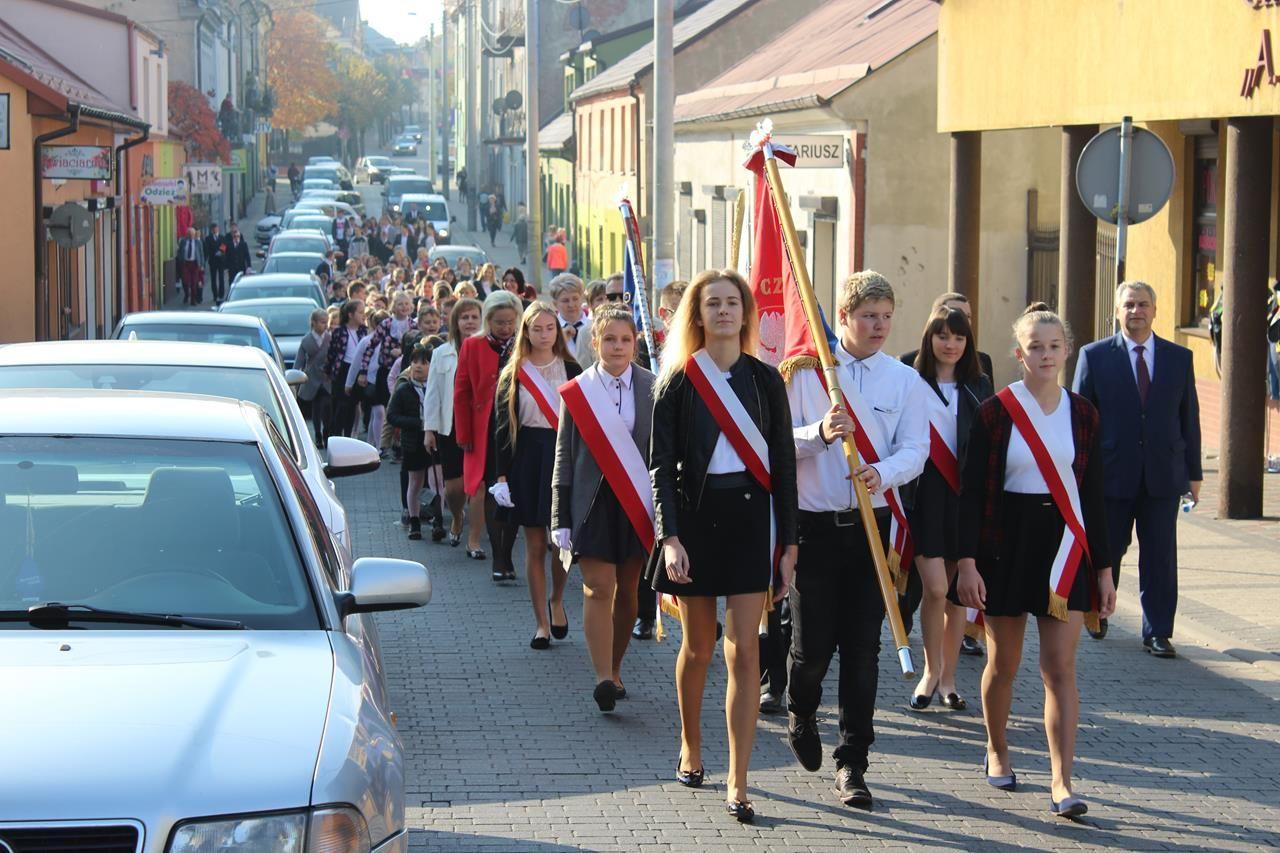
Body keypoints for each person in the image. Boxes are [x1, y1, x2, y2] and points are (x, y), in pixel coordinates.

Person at [956, 303, 1116, 819]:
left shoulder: (1084, 413)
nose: (1045, 354)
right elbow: (972, 492)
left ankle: (1062, 781)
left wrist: (1106, 569)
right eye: (1035, 346)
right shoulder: (996, 413)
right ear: (1018, 353)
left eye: (1054, 346)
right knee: (1004, 663)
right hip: (1006, 545)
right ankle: (997, 749)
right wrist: (968, 562)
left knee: (1060, 667)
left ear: (1066, 350)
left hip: (1065, 547)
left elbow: (1094, 495)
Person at [649, 269, 798, 824]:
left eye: (732, 302)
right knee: (701, 648)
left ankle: (739, 780)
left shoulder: (766, 381)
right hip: (694, 521)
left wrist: (789, 542)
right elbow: (661, 467)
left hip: (751, 521)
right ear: (698, 314)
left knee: (746, 649)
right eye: (712, 303)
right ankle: (691, 743)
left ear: (746, 312)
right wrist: (670, 537)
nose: (723, 311)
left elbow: (783, 464)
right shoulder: (677, 383)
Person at [784, 271, 928, 811]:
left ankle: (854, 761)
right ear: (843, 317)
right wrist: (819, 434)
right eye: (869, 316)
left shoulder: (903, 379)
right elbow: (778, 442)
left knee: (863, 652)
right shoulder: (807, 374)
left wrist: (884, 473)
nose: (879, 326)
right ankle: (801, 708)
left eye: (887, 316)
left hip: (873, 530)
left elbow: (917, 447)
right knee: (814, 647)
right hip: (815, 530)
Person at [1073, 281, 1201, 656]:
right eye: (1128, 304)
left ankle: (1158, 630)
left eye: (1143, 304)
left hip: (1163, 474)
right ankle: (1098, 610)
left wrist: (1193, 473)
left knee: (1160, 555)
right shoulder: (1094, 356)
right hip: (1111, 474)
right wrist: (1079, 474)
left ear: (1155, 310)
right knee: (1108, 548)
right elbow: (1080, 419)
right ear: (1117, 311)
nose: (1136, 311)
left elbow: (1188, 417)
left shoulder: (1179, 357)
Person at [552, 305, 655, 710]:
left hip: (637, 500)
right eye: (609, 339)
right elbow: (564, 455)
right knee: (599, 589)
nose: (617, 346)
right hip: (591, 504)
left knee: (628, 589)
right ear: (595, 343)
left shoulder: (653, 387)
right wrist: (560, 515)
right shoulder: (578, 391)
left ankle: (615, 668)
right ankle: (601, 678)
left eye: (625, 339)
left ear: (635, 343)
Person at [906, 306, 993, 712]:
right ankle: (929, 669)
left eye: (958, 337)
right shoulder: (910, 380)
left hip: (965, 499)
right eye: (943, 335)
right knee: (936, 589)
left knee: (958, 595)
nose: (951, 344)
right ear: (930, 338)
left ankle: (949, 680)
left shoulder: (978, 385)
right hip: (926, 496)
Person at [493, 303, 581, 636]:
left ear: (557, 332)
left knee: (561, 541)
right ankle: (541, 624)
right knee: (534, 545)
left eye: (550, 328)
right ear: (525, 332)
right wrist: (501, 476)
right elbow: (502, 428)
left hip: (563, 458)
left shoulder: (573, 370)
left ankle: (557, 599)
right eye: (537, 328)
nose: (544, 335)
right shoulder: (514, 372)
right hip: (527, 459)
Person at [454, 291, 522, 569]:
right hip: (485, 428)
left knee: (514, 487)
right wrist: (463, 434)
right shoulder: (473, 345)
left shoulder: (523, 344)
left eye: (510, 322)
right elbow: (461, 390)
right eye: (499, 323)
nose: (505, 328)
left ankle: (506, 550)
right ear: (488, 321)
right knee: (487, 487)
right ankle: (489, 549)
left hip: (518, 425)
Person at [425, 297, 484, 548]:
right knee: (454, 488)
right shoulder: (442, 352)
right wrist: (429, 429)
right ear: (455, 322)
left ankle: (475, 536)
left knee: (478, 484)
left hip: (480, 426)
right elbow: (433, 393)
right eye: (464, 317)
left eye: (474, 317)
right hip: (450, 426)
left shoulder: (488, 349)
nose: (469, 322)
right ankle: (458, 514)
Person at [388, 345, 433, 540]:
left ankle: (437, 517)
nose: (418, 366)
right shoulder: (404, 389)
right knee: (415, 482)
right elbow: (392, 416)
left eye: (424, 362)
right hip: (413, 442)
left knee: (437, 482)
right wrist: (417, 423)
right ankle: (414, 520)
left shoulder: (436, 387)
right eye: (415, 362)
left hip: (435, 442)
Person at [325, 299, 368, 438]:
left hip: (358, 370)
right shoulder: (339, 331)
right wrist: (329, 371)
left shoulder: (363, 331)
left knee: (352, 405)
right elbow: (332, 353)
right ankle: (335, 435)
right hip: (342, 370)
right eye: (360, 312)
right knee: (340, 405)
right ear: (350, 314)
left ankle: (349, 436)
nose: (363, 315)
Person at [294, 308, 332, 448]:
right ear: (314, 323)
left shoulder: (330, 338)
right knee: (316, 408)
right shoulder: (306, 340)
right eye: (322, 322)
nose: (325, 325)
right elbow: (299, 361)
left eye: (326, 322)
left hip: (327, 378)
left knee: (327, 407)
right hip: (312, 378)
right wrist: (294, 376)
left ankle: (327, 432)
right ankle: (318, 434)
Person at [551, 274, 590, 364]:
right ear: (555, 304)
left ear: (582, 298)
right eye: (565, 300)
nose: (571, 305)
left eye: (575, 299)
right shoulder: (550, 328)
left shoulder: (593, 324)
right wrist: (558, 342)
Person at [176, 226, 205, 305]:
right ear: (187, 234)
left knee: (194, 282)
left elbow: (201, 254)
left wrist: (202, 265)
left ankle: (193, 300)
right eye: (189, 234)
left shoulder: (198, 242)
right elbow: (179, 251)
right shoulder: (183, 241)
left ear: (194, 234)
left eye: (192, 234)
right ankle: (186, 294)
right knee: (185, 281)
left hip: (195, 264)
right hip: (185, 264)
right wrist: (180, 260)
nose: (191, 236)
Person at [221, 226, 251, 301]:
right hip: (232, 267)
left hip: (241, 267)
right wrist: (225, 266)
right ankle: (231, 296)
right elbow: (224, 254)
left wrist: (249, 266)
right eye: (235, 236)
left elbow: (247, 256)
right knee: (231, 282)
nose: (236, 237)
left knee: (241, 282)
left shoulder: (243, 244)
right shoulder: (229, 244)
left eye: (238, 236)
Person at [203, 224, 225, 304]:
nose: (215, 230)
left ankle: (221, 294)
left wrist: (221, 252)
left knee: (221, 277)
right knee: (213, 278)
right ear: (212, 230)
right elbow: (207, 249)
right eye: (214, 229)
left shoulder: (222, 237)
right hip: (213, 261)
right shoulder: (208, 238)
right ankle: (215, 295)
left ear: (218, 229)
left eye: (216, 228)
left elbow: (224, 246)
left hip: (221, 261)